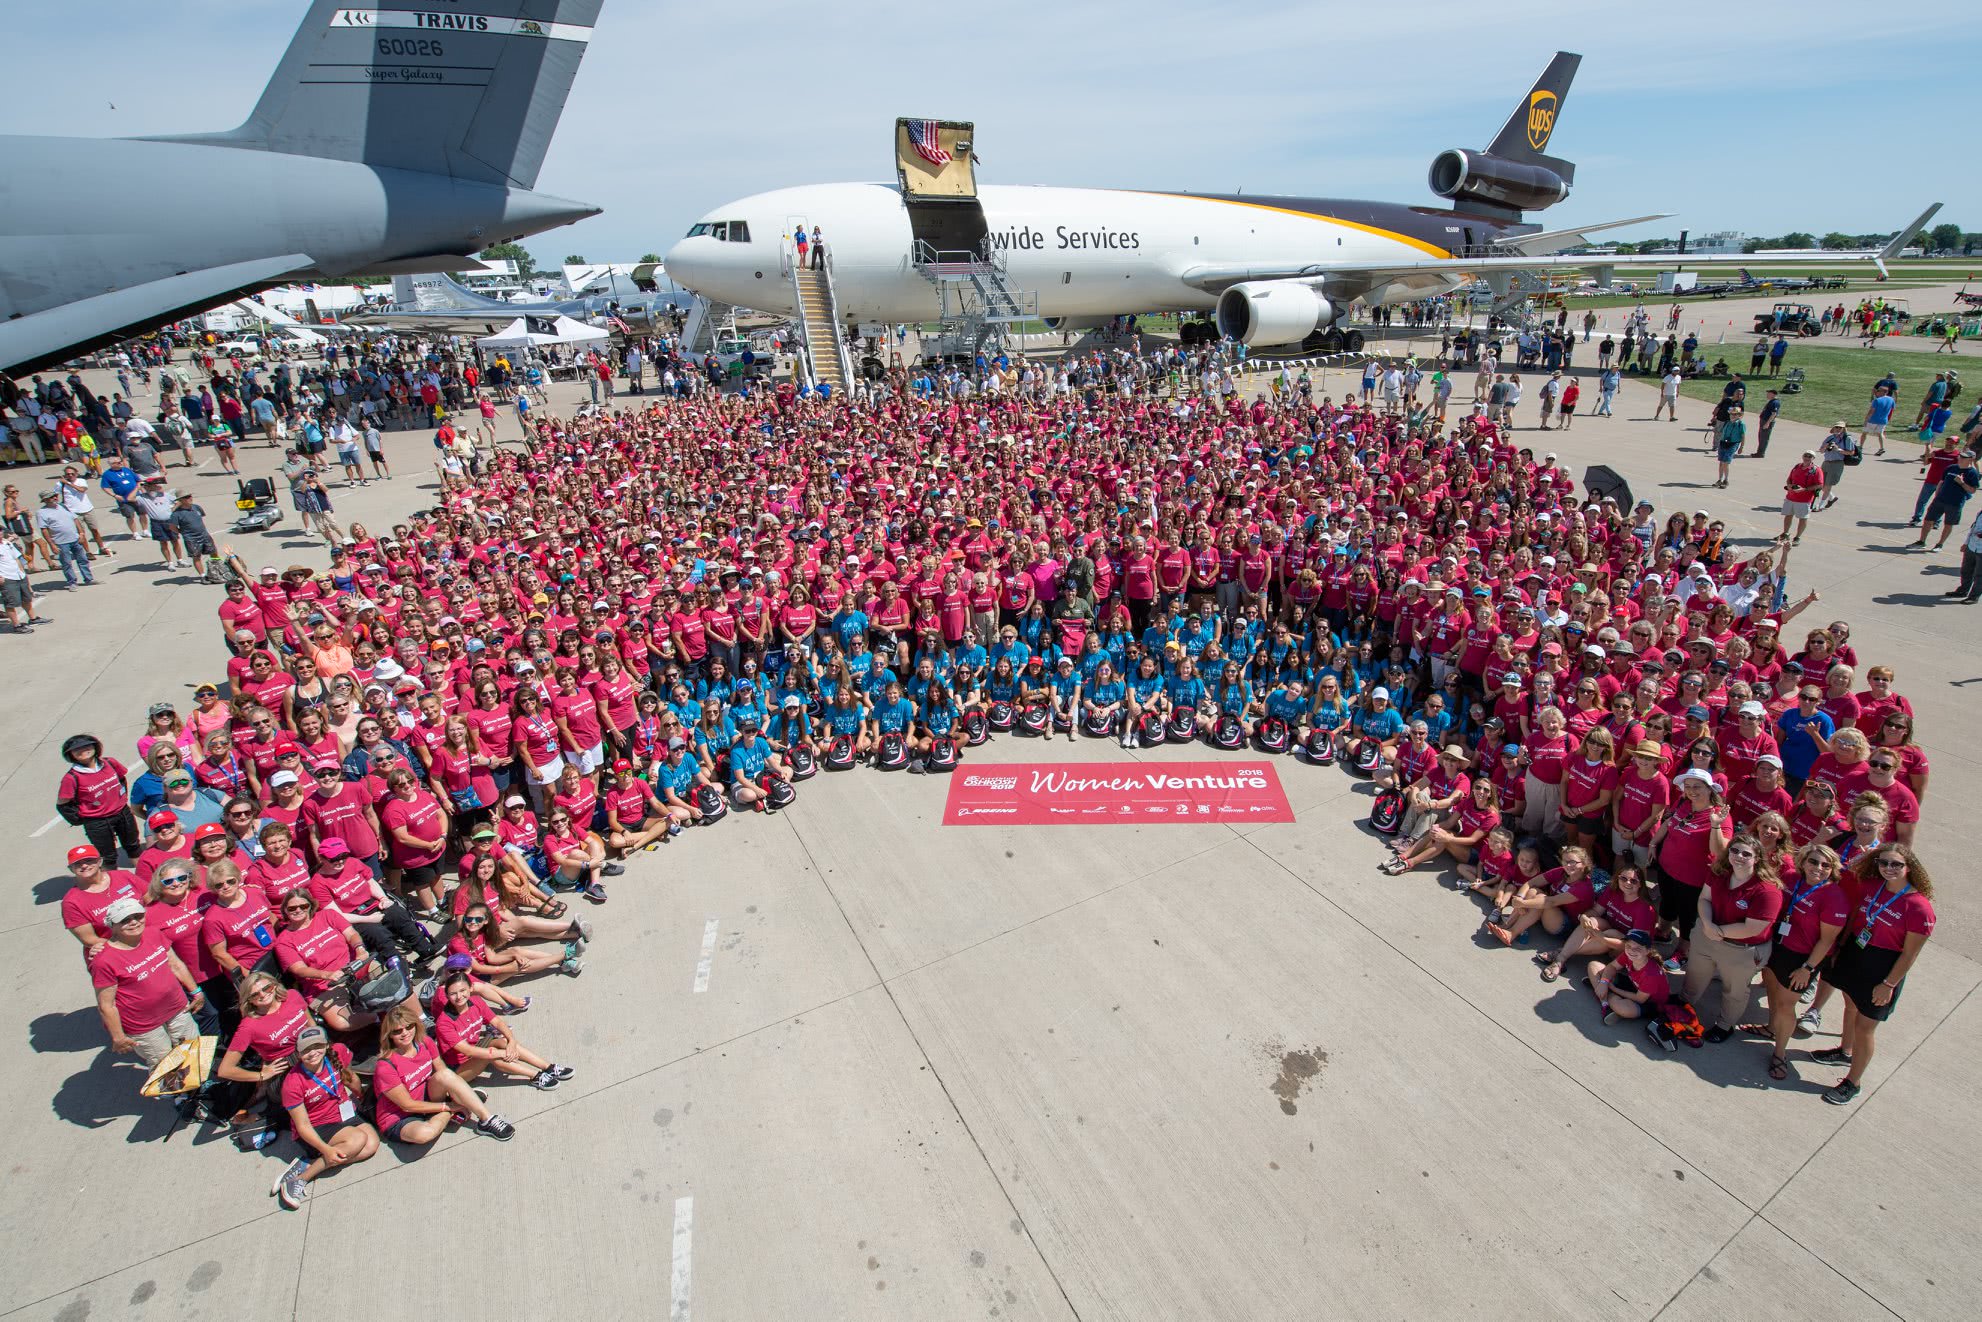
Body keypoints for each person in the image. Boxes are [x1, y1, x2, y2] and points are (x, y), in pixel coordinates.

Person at [1815, 845, 1935, 1105]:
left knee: (1865, 1028)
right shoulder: (1872, 886)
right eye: (1884, 863)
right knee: (1850, 1005)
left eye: (1896, 865)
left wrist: (1888, 984)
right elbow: (1856, 919)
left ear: (1909, 867)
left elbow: (1910, 954)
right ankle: (1844, 1051)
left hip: (1883, 967)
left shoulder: (1918, 908)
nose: (1889, 869)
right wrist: (1840, 948)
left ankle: (1853, 1082)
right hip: (1856, 951)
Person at [1681, 832, 1783, 1042]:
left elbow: (1754, 927)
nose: (1738, 856)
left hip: (1741, 949)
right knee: (1695, 972)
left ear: (1757, 858)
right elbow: (1704, 899)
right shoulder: (1719, 872)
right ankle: (1684, 1003)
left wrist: (1718, 932)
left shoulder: (1767, 890)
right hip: (1708, 934)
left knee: (1734, 989)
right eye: (1734, 850)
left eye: (1746, 853)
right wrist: (1708, 925)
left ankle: (1725, 1025)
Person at [371, 1004, 517, 1145]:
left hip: (429, 1097)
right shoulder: (385, 1066)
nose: (405, 1033)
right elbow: (408, 1106)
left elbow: (442, 1073)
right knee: (424, 1134)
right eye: (397, 1031)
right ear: (389, 1035)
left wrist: (452, 1095)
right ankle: (458, 1107)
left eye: (409, 1026)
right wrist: (450, 1107)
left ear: (415, 1025)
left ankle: (487, 1120)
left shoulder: (424, 1042)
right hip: (401, 1116)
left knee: (445, 1074)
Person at [270, 1024, 378, 1209]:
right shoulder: (293, 1082)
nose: (312, 1053)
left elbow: (350, 1077)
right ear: (298, 1053)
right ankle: (300, 1179)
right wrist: (326, 1150)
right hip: (317, 1126)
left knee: (370, 1146)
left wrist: (359, 1095)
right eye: (306, 1050)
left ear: (326, 1045)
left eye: (317, 1046)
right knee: (357, 1140)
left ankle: (309, 1163)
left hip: (344, 1113)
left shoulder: (337, 1052)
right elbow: (302, 1126)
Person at [90, 896, 205, 1067]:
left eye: (138, 916)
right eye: (125, 920)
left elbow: (175, 964)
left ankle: (200, 1089)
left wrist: (196, 991)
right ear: (112, 925)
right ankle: (175, 1095)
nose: (134, 922)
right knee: (165, 1065)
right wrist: (118, 1037)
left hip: (177, 1008)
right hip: (144, 1025)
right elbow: (107, 1005)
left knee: (193, 1052)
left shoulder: (153, 933)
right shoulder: (104, 960)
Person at [432, 971, 573, 1091]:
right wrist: (502, 1053)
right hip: (458, 1069)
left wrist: (511, 1042)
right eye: (453, 994)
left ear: (470, 988)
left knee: (503, 1041)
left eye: (462, 991)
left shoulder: (475, 1001)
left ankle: (548, 1067)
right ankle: (535, 1076)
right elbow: (468, 1051)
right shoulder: (444, 1023)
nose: (459, 997)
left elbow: (497, 1022)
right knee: (493, 1056)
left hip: (476, 1048)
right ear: (447, 995)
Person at [1587, 929, 1669, 1024]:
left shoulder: (1651, 974)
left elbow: (1639, 999)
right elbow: (1612, 966)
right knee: (1594, 965)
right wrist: (1604, 982)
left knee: (1625, 1009)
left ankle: (1604, 995)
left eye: (1638, 948)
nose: (1631, 950)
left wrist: (1612, 988)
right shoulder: (1628, 954)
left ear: (1647, 951)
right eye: (1628, 945)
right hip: (1633, 985)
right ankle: (1606, 1000)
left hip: (1649, 1003)